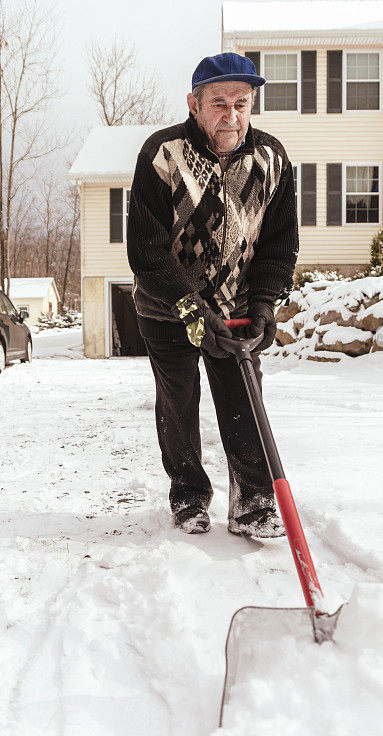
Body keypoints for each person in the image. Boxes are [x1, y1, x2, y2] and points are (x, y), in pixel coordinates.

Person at [126, 52, 298, 537]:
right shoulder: (162, 155)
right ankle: (188, 495)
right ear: (194, 104)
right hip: (169, 309)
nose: (232, 114)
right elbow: (146, 250)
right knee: (178, 402)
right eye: (219, 102)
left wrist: (264, 303)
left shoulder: (272, 158)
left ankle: (255, 502)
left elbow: (280, 243)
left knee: (244, 398)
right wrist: (194, 311)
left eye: (242, 103)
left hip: (238, 309)